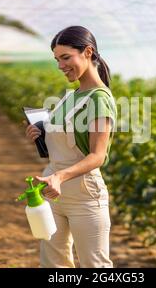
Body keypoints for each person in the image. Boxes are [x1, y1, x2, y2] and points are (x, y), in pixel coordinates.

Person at [25, 25, 117, 268]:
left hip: (83, 193)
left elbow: (98, 156)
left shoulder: (99, 98)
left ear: (88, 52)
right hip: (53, 188)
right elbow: (66, 141)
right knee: (54, 264)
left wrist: (60, 177)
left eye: (66, 57)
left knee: (94, 265)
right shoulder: (70, 96)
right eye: (57, 59)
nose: (60, 65)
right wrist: (41, 135)